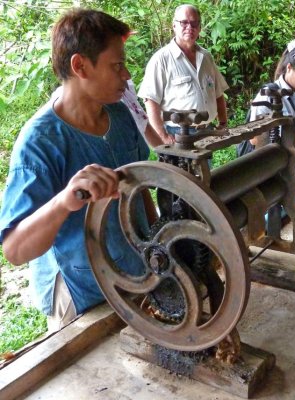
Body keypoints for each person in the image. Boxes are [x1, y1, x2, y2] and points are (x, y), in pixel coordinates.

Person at [0, 9, 151, 331]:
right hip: (80, 296)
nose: (126, 76)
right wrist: (64, 201)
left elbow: (140, 189)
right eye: (117, 65)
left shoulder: (121, 116)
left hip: (135, 276)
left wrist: (156, 245)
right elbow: (15, 249)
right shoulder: (40, 144)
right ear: (80, 66)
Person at [138, 4, 229, 143]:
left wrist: (223, 123)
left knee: (206, 166)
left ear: (199, 27)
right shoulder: (161, 59)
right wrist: (162, 136)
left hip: (207, 131)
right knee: (177, 166)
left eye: (194, 23)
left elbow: (218, 93)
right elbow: (150, 101)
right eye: (184, 22)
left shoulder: (206, 57)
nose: (189, 27)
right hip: (178, 133)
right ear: (174, 25)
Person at [247, 40, 295, 163]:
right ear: (289, 68)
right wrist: (293, 138)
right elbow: (254, 139)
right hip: (278, 167)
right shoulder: (267, 96)